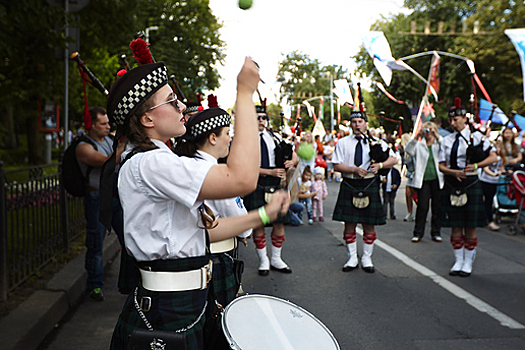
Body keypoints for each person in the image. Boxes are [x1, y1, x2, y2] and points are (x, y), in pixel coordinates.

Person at [104, 59, 290, 350]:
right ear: (147, 119)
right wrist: (244, 93)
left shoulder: (156, 161)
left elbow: (206, 231)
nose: (181, 108)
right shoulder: (151, 163)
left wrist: (264, 214)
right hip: (169, 307)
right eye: (171, 101)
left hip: (187, 300)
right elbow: (241, 178)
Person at [174, 107, 253, 308]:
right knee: (218, 324)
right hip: (216, 258)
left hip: (193, 257)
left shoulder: (183, 164)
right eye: (227, 132)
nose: (230, 138)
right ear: (212, 138)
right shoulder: (215, 172)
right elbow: (242, 222)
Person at [332, 111, 398, 273]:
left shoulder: (376, 142)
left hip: (369, 183)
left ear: (365, 123)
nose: (357, 124)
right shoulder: (343, 142)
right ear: (350, 124)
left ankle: (367, 257)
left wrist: (380, 166)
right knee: (350, 223)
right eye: (353, 121)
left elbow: (394, 159)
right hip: (350, 182)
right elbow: (336, 165)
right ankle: (352, 257)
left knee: (369, 224)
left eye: (360, 121)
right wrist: (353, 169)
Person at [439, 99, 496, 277]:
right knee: (455, 224)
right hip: (452, 182)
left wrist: (477, 166)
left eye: (456, 120)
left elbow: (493, 157)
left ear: (464, 118)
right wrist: (453, 172)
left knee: (470, 225)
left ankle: (468, 260)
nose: (453, 123)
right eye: (451, 120)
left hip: (471, 183)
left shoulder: (477, 137)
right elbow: (441, 165)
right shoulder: (446, 140)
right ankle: (458, 260)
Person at [75, 106, 125, 301]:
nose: (107, 127)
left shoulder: (111, 140)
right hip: (96, 199)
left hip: (115, 197)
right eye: (102, 124)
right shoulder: (83, 146)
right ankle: (95, 285)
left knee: (128, 240)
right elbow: (106, 161)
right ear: (91, 125)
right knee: (96, 244)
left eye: (108, 123)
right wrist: (123, 146)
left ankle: (129, 282)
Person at [243, 104, 298, 276]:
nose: (261, 121)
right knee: (259, 223)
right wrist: (269, 171)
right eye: (257, 117)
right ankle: (263, 260)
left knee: (278, 223)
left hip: (275, 184)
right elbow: (243, 166)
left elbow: (292, 153)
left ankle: (276, 258)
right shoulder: (245, 139)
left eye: (264, 117)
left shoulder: (274, 137)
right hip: (257, 183)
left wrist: (292, 162)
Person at [404, 121, 444, 242]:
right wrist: (417, 136)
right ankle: (418, 233)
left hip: (437, 179)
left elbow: (446, 147)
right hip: (423, 180)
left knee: (437, 207)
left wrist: (436, 136)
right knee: (422, 206)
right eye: (426, 130)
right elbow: (408, 149)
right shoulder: (419, 145)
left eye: (430, 130)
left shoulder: (438, 144)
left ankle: (436, 232)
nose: (428, 133)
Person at [480, 140, 506, 231]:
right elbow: (486, 168)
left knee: (489, 201)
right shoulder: (489, 156)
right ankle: (488, 220)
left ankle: (486, 219)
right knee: (486, 201)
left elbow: (501, 167)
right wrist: (493, 174)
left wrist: (503, 172)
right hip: (486, 180)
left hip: (495, 181)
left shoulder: (501, 158)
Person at [400, 132, 416, 222]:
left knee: (417, 195)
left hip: (415, 174)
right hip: (410, 175)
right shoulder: (404, 153)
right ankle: (409, 212)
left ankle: (421, 212)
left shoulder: (411, 150)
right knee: (408, 194)